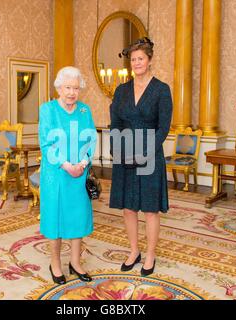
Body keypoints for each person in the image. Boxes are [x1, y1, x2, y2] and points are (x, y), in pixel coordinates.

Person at [109, 37, 173, 277]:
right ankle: (134, 251)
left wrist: (146, 152)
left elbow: (163, 127)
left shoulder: (161, 89)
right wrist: (117, 149)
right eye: (133, 59)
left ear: (149, 60)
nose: (136, 62)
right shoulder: (121, 90)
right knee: (128, 207)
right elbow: (115, 122)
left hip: (149, 155)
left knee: (149, 208)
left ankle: (150, 255)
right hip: (124, 153)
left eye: (140, 59)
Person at [38, 66, 97, 284]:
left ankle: (75, 262)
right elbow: (46, 143)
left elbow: (91, 139)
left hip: (79, 173)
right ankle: (55, 263)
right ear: (59, 88)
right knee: (55, 218)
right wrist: (66, 165)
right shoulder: (48, 110)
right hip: (56, 175)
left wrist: (82, 163)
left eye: (76, 88)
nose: (72, 92)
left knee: (77, 217)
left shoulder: (84, 111)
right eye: (67, 87)